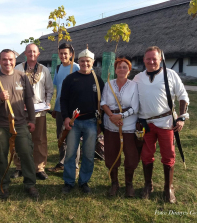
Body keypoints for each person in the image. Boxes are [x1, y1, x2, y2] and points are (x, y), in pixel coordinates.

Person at [133, 46, 189, 203]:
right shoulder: (138, 78)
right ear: (144, 60)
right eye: (148, 59)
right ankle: (147, 185)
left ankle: (168, 187)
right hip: (146, 123)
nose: (151, 61)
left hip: (166, 122)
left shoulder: (170, 74)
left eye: (154, 59)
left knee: (168, 156)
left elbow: (182, 95)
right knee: (146, 155)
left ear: (160, 60)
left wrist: (182, 117)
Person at [0, 49, 39, 199]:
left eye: (11, 59)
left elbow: (29, 101)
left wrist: (31, 120)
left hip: (20, 123)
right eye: (4, 59)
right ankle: (3, 185)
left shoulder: (22, 77)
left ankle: (30, 184)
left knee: (26, 153)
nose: (8, 62)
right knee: (1, 155)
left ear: (15, 61)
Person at [60, 47, 104, 194]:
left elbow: (103, 101)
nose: (85, 64)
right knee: (71, 153)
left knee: (89, 154)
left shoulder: (97, 80)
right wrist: (66, 117)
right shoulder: (70, 79)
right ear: (78, 62)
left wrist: (100, 123)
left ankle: (84, 181)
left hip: (91, 122)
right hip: (74, 122)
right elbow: (63, 99)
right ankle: (69, 181)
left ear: (93, 62)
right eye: (82, 61)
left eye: (88, 61)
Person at [12, 43, 54, 180]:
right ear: (25, 53)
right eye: (29, 51)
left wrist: (47, 103)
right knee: (18, 138)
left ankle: (39, 168)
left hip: (38, 111)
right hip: (20, 111)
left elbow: (49, 89)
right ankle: (19, 166)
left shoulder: (44, 70)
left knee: (39, 139)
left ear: (38, 54)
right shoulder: (18, 68)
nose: (32, 54)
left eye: (34, 52)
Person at [101, 58, 139, 197]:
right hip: (111, 125)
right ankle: (114, 183)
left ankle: (129, 184)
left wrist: (121, 116)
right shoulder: (108, 84)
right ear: (115, 70)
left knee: (131, 155)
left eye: (124, 67)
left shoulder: (134, 85)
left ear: (129, 70)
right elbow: (103, 102)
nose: (121, 69)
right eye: (119, 67)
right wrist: (112, 116)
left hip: (128, 125)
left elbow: (135, 107)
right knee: (111, 154)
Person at [47, 43, 80, 174]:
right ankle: (62, 161)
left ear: (71, 54)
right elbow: (58, 89)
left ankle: (74, 166)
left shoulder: (76, 67)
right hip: (60, 108)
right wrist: (55, 106)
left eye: (66, 53)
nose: (63, 56)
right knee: (61, 136)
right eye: (61, 53)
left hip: (72, 110)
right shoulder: (58, 68)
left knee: (73, 136)